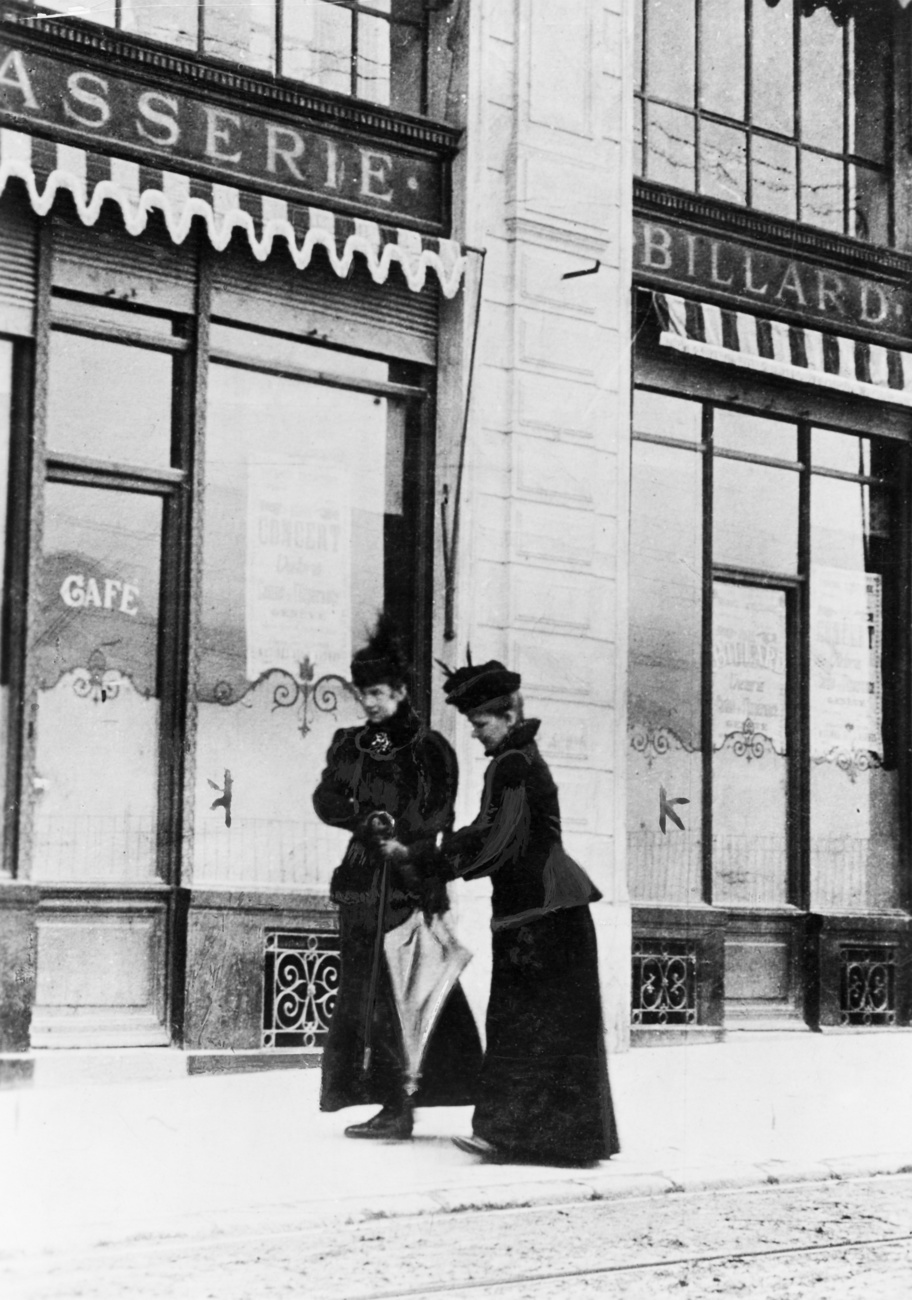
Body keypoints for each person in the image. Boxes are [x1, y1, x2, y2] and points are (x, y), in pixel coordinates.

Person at [441, 657, 620, 1166]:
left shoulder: (513, 764)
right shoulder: (521, 758)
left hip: (539, 915)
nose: (475, 734)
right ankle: (557, 1139)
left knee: (524, 1021)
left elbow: (497, 837)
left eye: (480, 724)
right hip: (548, 911)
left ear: (508, 717)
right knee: (548, 1023)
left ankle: (512, 1134)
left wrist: (434, 862)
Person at [313, 616, 482, 1139]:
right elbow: (326, 798)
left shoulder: (428, 748)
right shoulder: (352, 744)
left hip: (408, 882)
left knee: (404, 991)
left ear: (402, 692)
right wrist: (363, 821)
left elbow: (440, 813)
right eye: (363, 694)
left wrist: (404, 842)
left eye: (379, 693)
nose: (369, 703)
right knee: (364, 992)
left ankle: (401, 1102)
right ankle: (385, 1098)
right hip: (363, 882)